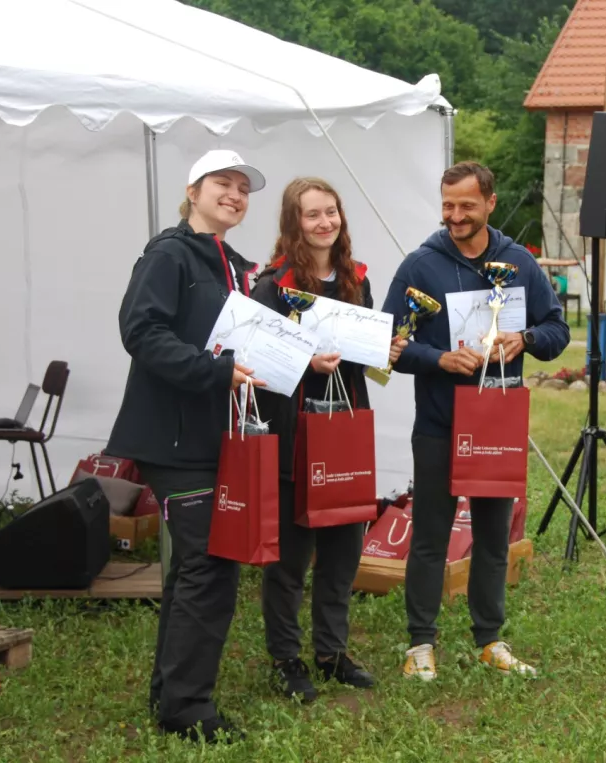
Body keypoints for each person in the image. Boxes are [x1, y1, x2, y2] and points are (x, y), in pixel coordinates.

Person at [383, 161, 570, 681]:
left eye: (467, 205)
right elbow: (387, 344)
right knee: (430, 534)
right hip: (441, 422)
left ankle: (490, 639)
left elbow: (558, 330)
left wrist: (525, 339)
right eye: (447, 205)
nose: (455, 216)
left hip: (496, 421)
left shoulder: (520, 263)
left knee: (492, 535)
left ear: (490, 202)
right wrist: (438, 359)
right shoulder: (421, 264)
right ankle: (420, 643)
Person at [104, 149, 267, 744]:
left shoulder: (236, 265)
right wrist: (215, 372)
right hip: (174, 439)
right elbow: (141, 332)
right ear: (193, 190)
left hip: (216, 434)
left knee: (195, 567)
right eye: (223, 183)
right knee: (209, 563)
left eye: (244, 188)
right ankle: (188, 708)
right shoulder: (168, 254)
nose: (235, 194)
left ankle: (170, 694)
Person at [251, 177, 406, 702]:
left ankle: (332, 653)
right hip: (295, 438)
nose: (324, 223)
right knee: (290, 560)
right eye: (312, 214)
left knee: (342, 552)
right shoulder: (272, 283)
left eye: (332, 212)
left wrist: (386, 350)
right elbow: (255, 358)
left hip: (345, 432)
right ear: (293, 222)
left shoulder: (354, 279)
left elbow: (366, 360)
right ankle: (286, 659)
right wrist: (304, 359)